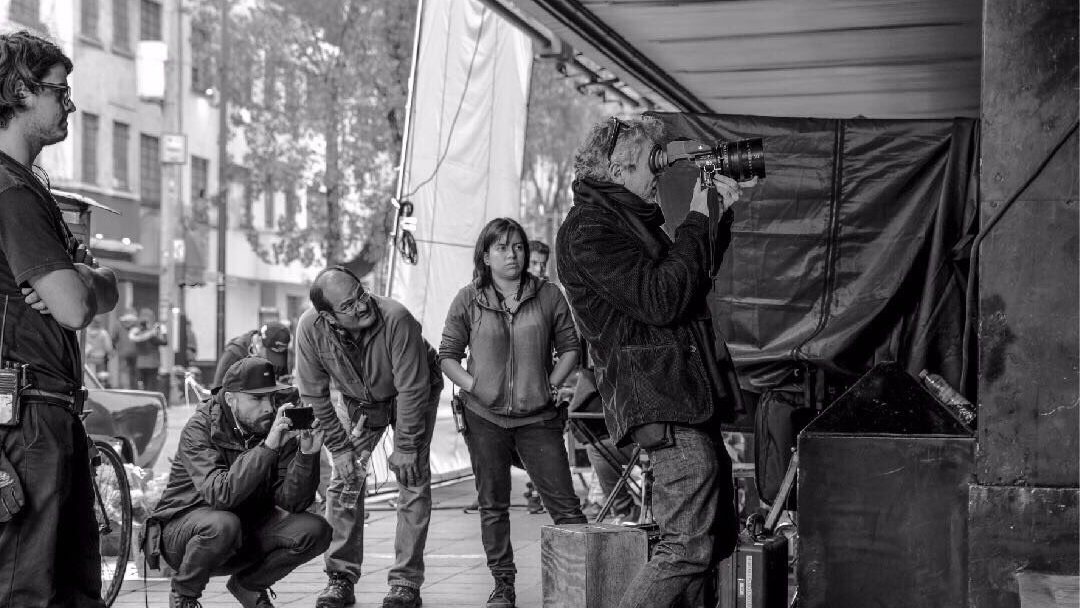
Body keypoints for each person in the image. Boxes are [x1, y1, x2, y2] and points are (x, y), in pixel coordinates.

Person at [556, 115, 755, 608]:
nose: (659, 175)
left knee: (713, 542)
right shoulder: (588, 231)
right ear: (617, 170)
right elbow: (661, 299)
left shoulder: (626, 222)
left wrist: (716, 218)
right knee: (686, 547)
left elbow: (687, 283)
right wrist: (697, 218)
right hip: (662, 399)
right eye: (653, 164)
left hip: (682, 395)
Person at [0, 30, 119, 607]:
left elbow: (94, 290)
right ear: (21, 91)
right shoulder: (11, 193)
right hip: (25, 420)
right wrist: (85, 282)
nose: (69, 104)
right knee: (31, 590)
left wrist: (88, 280)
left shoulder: (30, 188)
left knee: (68, 589)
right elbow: (74, 306)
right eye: (59, 91)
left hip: (45, 413)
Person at [439, 218, 586, 608]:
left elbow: (571, 348)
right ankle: (503, 584)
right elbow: (448, 355)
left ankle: (583, 584)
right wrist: (475, 386)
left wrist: (550, 383)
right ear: (486, 256)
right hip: (484, 418)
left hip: (538, 418)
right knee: (493, 504)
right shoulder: (468, 298)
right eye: (502, 248)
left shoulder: (549, 295)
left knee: (565, 506)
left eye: (518, 247)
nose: (512, 255)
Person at [295, 266, 442, 608]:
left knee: (412, 479)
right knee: (345, 481)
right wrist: (340, 448)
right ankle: (340, 577)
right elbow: (314, 394)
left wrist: (406, 446)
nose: (361, 305)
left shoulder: (396, 318)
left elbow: (412, 388)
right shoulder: (310, 328)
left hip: (413, 391)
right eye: (348, 305)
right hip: (358, 401)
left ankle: (405, 582)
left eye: (361, 294)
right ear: (328, 316)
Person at [147, 357, 332, 608]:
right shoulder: (200, 427)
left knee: (315, 530)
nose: (267, 407)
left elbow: (293, 502)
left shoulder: (274, 426)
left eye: (270, 397)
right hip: (185, 532)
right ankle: (184, 595)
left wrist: (307, 455)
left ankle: (248, 586)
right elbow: (220, 494)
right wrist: (268, 448)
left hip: (244, 528)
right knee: (223, 524)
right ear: (231, 399)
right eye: (257, 399)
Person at [213, 321, 292, 387]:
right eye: (271, 355)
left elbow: (281, 380)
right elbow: (218, 393)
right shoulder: (233, 355)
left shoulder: (279, 349)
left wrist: (285, 384)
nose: (273, 362)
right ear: (259, 342)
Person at [129, 306, 166, 393]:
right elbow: (164, 342)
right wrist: (164, 332)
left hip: (140, 363)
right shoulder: (152, 334)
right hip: (152, 363)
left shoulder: (136, 333)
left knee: (143, 387)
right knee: (151, 386)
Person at [114, 307, 138, 388]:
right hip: (135, 351)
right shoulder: (137, 323)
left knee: (123, 371)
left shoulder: (118, 324)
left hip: (122, 351)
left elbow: (114, 337)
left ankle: (125, 389)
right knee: (134, 371)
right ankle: (134, 389)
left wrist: (114, 347)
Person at [84, 315, 114, 380]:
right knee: (101, 379)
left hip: (89, 358)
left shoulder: (85, 332)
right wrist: (110, 353)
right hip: (101, 359)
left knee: (90, 378)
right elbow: (108, 347)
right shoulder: (103, 333)